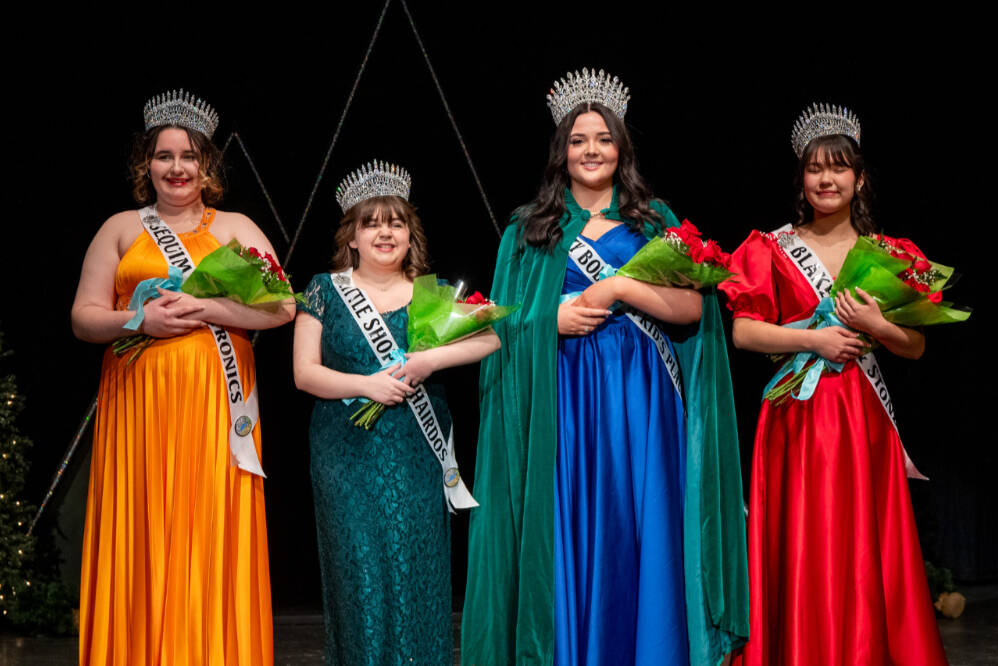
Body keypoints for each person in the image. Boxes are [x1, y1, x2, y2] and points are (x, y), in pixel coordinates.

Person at [463, 68, 748, 666]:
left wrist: (619, 285)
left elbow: (693, 309)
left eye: (603, 138)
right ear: (560, 152)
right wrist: (548, 321)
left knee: (637, 529)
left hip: (643, 399)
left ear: (622, 147)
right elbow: (497, 322)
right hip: (560, 397)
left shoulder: (655, 222)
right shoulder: (527, 230)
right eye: (577, 140)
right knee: (568, 529)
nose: (591, 150)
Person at [71, 90, 293, 666]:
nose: (177, 168)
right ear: (147, 164)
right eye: (164, 156)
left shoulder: (235, 226)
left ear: (207, 166)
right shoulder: (120, 227)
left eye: (189, 156)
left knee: (209, 533)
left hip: (216, 412)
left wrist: (207, 310)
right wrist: (138, 319)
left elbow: (283, 308)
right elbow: (82, 318)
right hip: (139, 410)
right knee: (143, 532)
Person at [721, 104, 948, 665]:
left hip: (861, 418)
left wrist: (875, 326)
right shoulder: (769, 249)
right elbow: (745, 334)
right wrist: (814, 341)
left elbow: (915, 346)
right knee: (804, 546)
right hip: (796, 415)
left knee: (862, 546)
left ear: (860, 177)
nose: (827, 180)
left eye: (839, 168)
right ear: (801, 177)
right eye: (815, 169)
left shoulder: (891, 256)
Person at [292, 161, 500, 665]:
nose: (386, 231)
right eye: (372, 222)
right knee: (359, 572)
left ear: (411, 235)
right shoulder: (323, 288)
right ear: (353, 237)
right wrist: (367, 385)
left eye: (397, 222)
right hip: (345, 452)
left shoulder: (430, 294)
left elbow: (491, 338)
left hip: (415, 449)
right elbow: (304, 373)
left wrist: (430, 359)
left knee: (414, 569)